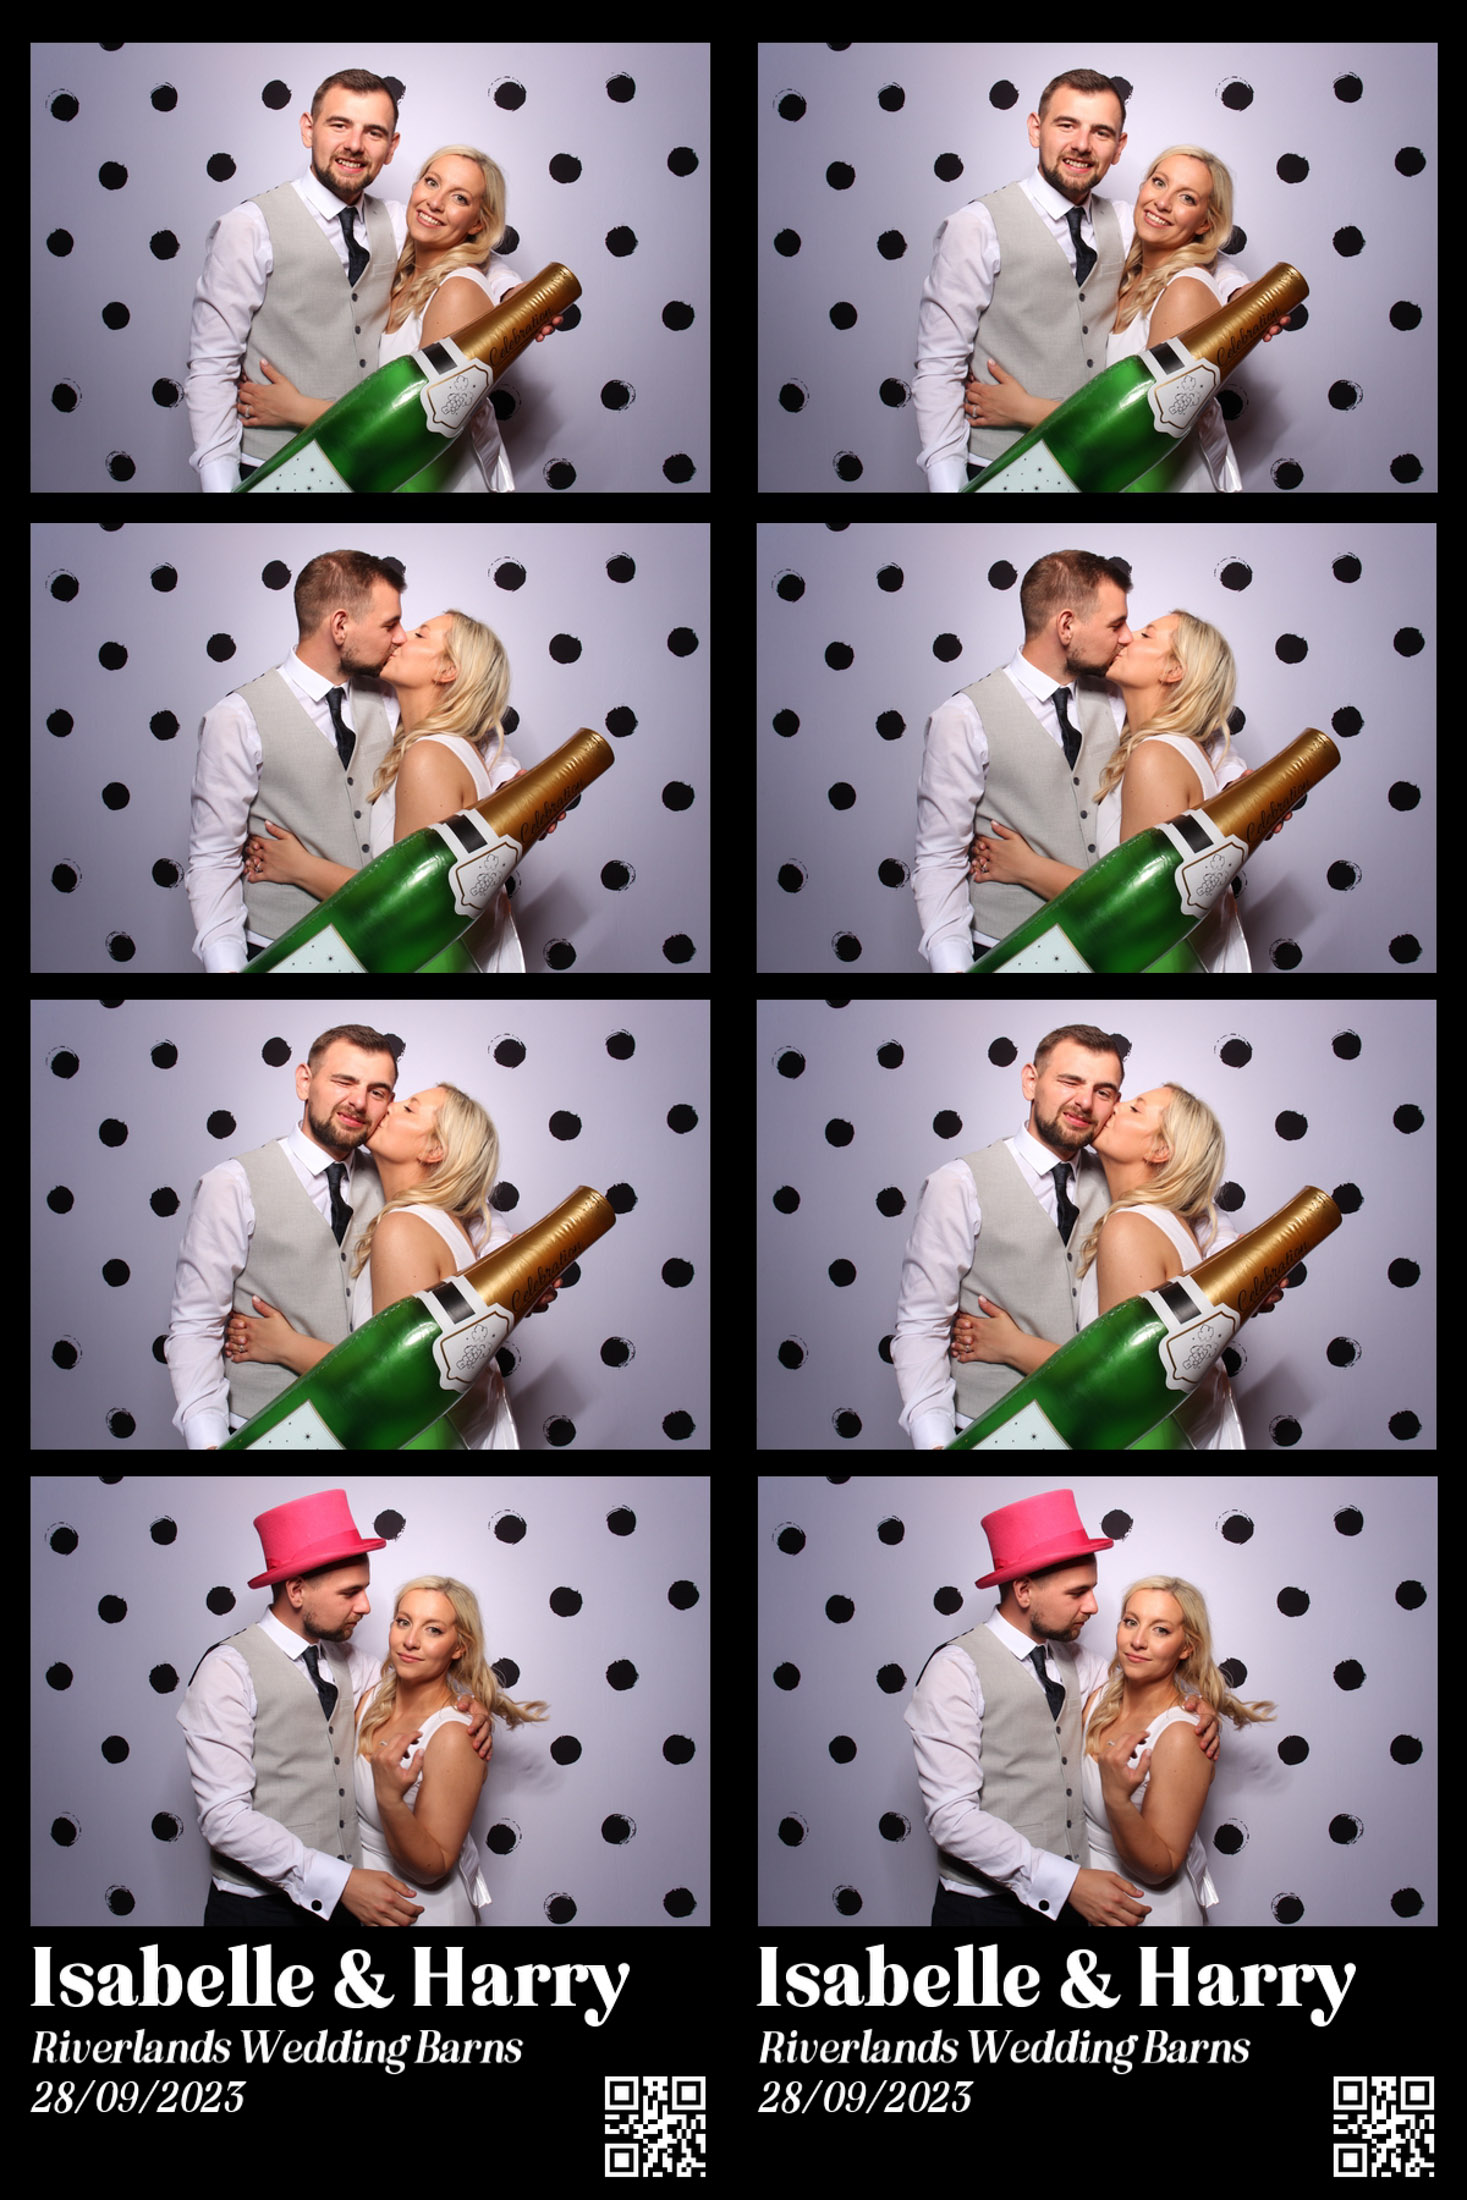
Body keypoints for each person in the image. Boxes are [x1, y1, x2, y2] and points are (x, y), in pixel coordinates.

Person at [188, 69, 558, 493]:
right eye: (339, 125)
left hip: (376, 470)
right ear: (308, 129)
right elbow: (211, 364)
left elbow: (468, 253)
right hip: (273, 465)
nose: (354, 144)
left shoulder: (399, 222)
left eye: (374, 132)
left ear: (391, 147)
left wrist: (511, 291)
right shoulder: (249, 226)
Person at [914, 68, 1283, 492]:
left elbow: (1195, 253)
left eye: (1101, 132)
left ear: (1119, 147)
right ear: (1035, 129)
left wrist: (1237, 290)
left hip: (1104, 470)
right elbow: (939, 366)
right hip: (1001, 465)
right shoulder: (976, 226)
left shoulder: (1127, 222)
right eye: (1066, 125)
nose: (1082, 144)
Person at [912, 549, 1255, 972]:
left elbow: (1192, 727)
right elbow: (939, 858)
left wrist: (1238, 785)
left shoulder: (1117, 694)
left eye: (1136, 629)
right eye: (1116, 624)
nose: (1126, 637)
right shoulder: (963, 718)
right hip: (1004, 950)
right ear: (1067, 625)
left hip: (1109, 949)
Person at [176, 1488, 492, 1929]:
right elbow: (223, 1819)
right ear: (297, 1590)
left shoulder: (351, 1662)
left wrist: (468, 1707)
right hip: (259, 1910)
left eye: (365, 1589)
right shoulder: (228, 1670)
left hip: (350, 1910)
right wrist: (340, 1881)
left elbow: (419, 1689)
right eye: (350, 1592)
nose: (366, 1606)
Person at [904, 1490, 1218, 1930]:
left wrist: (1196, 1707)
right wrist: (1067, 1882)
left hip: (1077, 1910)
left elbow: (1147, 1689)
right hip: (987, 1911)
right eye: (1078, 1592)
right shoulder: (955, 1670)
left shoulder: (1079, 1662)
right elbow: (951, 1819)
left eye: (1092, 1589)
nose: (1093, 1606)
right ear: (1024, 1590)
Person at [225, 1079, 521, 1448]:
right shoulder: (446, 1223)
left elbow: (393, 1385)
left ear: (434, 1149)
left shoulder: (405, 1228)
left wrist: (286, 1345)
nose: (387, 1107)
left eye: (408, 1108)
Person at [244, 609, 532, 972]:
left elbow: (408, 907)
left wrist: (301, 868)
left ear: (447, 670)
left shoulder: (429, 757)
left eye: (420, 635)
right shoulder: (442, 748)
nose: (400, 637)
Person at [971, 609, 1250, 970]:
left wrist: (1027, 868)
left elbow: (1134, 908)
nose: (1128, 637)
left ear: (1173, 670)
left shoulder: (1155, 757)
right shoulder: (1166, 748)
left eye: (1146, 635)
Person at [167, 1024, 398, 1449]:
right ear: (304, 1082)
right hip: (258, 1428)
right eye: (344, 1081)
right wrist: (208, 1442)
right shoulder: (232, 1184)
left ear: (389, 1103)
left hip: (370, 1428)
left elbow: (473, 1222)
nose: (358, 1101)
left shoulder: (395, 1177)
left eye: (377, 1091)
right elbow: (196, 1324)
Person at [964, 146, 1247, 492]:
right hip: (1123, 475)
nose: (1162, 202)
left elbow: (1147, 428)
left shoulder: (1185, 290)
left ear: (1205, 222)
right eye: (1159, 182)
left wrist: (1024, 409)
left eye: (1187, 198)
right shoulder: (1130, 270)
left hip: (1169, 479)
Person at [186, 548, 404, 971]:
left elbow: (458, 727)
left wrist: (506, 776)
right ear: (340, 625)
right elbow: (213, 858)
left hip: (384, 945)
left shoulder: (390, 696)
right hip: (280, 950)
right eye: (389, 624)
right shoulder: (236, 718)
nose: (400, 637)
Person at [1083, 1576, 1275, 1924]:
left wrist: (1117, 1798)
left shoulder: (1182, 1734)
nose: (1137, 1641)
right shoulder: (1098, 1701)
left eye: (1160, 1630)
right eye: (1131, 1622)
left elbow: (1161, 1867)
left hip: (1148, 1912)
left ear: (1186, 1647)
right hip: (1091, 1904)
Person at [356, 1575, 547, 1923]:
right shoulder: (370, 1701)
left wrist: (390, 1798)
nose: (410, 1641)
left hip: (421, 1912)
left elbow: (434, 1867)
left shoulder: (455, 1734)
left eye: (433, 1630)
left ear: (459, 1647)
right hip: (364, 1904)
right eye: (403, 1622)